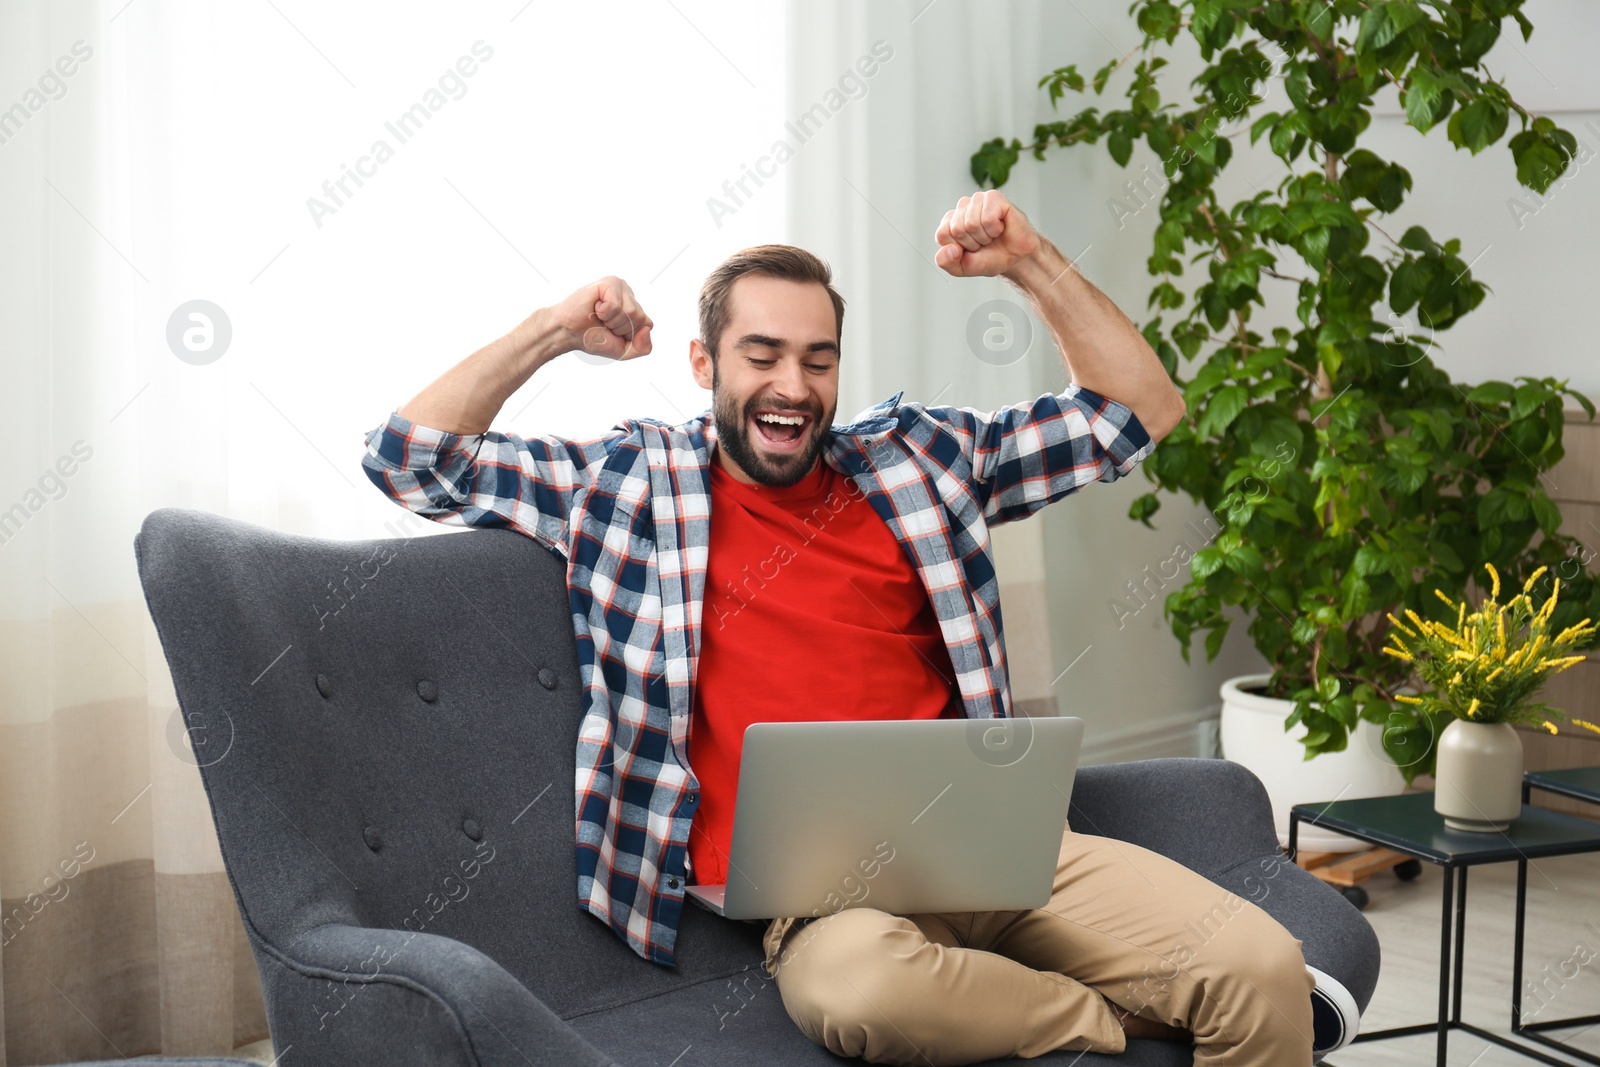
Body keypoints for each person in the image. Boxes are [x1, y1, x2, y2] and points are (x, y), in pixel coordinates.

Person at [361, 190, 1316, 1065]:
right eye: (762, 355)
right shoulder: (629, 485)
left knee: (1266, 969)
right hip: (832, 899)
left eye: (818, 360)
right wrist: (555, 329)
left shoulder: (920, 464)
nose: (793, 385)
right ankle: (1109, 1020)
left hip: (1002, 851)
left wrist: (1030, 259)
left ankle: (1115, 1003)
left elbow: (1136, 413)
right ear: (704, 364)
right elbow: (409, 458)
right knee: (859, 990)